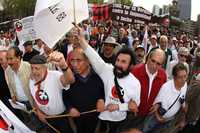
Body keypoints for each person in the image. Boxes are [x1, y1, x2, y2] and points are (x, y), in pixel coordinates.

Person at [77, 26, 141, 133]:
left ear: (131, 66)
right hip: (101, 116)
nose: (119, 64)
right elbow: (94, 57)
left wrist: (118, 106)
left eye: (124, 62)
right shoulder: (107, 70)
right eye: (118, 60)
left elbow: (134, 106)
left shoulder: (135, 83)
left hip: (118, 120)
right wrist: (82, 40)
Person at [29, 53, 74, 133]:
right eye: (32, 68)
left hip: (61, 117)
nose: (34, 71)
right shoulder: (31, 80)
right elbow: (35, 98)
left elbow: (70, 80)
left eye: (37, 68)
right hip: (46, 118)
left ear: (45, 68)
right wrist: (39, 113)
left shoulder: (55, 75)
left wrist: (64, 66)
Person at [63, 48, 105, 133]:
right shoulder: (69, 78)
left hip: (94, 117)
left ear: (88, 60)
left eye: (79, 60)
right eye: (72, 60)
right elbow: (65, 96)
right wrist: (70, 108)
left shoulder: (99, 77)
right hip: (77, 118)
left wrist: (102, 99)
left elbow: (104, 92)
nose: (74, 64)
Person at [142, 63, 188, 133]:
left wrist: (183, 109)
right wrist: (158, 118)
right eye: (180, 77)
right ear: (174, 77)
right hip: (155, 119)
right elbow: (155, 105)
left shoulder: (185, 85)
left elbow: (182, 99)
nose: (183, 80)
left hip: (169, 119)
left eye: (185, 76)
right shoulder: (166, 87)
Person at [131, 48, 167, 120]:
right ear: (148, 58)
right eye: (153, 61)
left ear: (162, 65)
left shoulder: (163, 75)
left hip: (149, 117)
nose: (154, 66)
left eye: (158, 64)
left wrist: (158, 104)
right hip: (131, 115)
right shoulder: (135, 72)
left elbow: (163, 93)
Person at [5, 46, 34, 121]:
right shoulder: (8, 71)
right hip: (20, 104)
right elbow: (10, 86)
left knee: (37, 121)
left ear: (18, 57)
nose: (8, 62)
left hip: (32, 103)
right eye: (7, 59)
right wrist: (13, 95)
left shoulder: (28, 66)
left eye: (11, 58)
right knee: (28, 123)